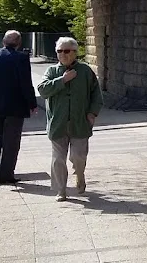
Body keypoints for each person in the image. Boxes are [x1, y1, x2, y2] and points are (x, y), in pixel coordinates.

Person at [37, 37, 102, 201]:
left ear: (75, 52)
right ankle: (61, 190)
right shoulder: (51, 71)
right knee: (58, 159)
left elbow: (97, 95)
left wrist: (92, 113)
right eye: (59, 51)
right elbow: (42, 90)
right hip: (58, 123)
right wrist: (63, 80)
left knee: (78, 157)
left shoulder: (86, 71)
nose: (62, 54)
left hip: (80, 123)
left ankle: (80, 175)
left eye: (66, 51)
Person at [0, 30, 38, 184]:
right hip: (14, 107)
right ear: (18, 43)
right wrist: (32, 103)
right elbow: (26, 83)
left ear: (3, 42)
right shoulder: (21, 58)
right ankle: (6, 174)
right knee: (11, 141)